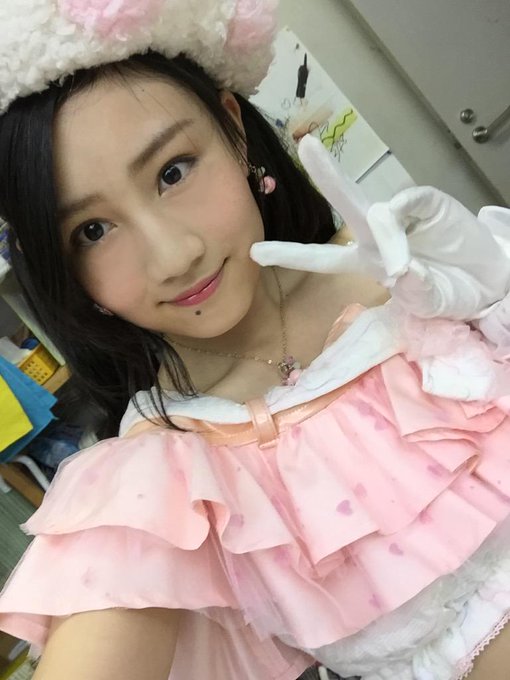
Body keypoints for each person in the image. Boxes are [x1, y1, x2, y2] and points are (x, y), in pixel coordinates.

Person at [0, 1, 510, 679]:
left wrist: (497, 296)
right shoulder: (166, 474)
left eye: (173, 171)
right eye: (92, 231)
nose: (175, 255)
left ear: (234, 130)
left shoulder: (415, 281)